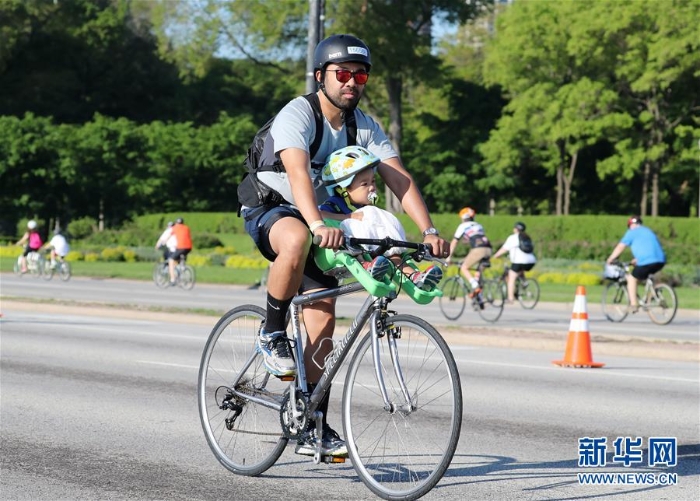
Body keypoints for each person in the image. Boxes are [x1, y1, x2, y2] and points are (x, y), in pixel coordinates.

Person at [239, 34, 449, 458]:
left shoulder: (363, 125)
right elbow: (297, 173)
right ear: (321, 77)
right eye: (343, 74)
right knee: (296, 237)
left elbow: (398, 178)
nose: (352, 82)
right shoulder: (298, 114)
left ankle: (311, 420)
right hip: (273, 207)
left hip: (326, 219)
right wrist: (315, 220)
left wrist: (428, 232)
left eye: (361, 74)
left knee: (323, 323)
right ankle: (272, 331)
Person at [319, 145, 443, 291]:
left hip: (373, 252)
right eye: (364, 184)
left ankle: (414, 276)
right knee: (365, 217)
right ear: (342, 189)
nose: (372, 187)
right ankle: (367, 266)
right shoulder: (335, 204)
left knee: (383, 229)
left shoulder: (366, 210)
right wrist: (347, 216)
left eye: (373, 181)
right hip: (341, 252)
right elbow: (318, 214)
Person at [606, 216, 666, 313]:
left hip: (647, 261)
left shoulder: (631, 232)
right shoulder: (648, 231)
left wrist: (611, 258)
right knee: (646, 274)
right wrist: (637, 259)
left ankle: (634, 305)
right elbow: (649, 247)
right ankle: (653, 295)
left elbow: (620, 247)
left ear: (630, 225)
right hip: (660, 259)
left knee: (632, 278)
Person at [445, 207, 492, 295]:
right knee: (478, 272)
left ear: (463, 218)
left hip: (478, 249)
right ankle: (479, 299)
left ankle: (475, 286)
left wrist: (449, 257)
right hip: (488, 248)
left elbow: (454, 242)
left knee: (464, 267)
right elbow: (476, 237)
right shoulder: (478, 225)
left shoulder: (463, 226)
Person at [491, 222, 537, 303]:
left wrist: (496, 255)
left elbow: (504, 249)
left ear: (516, 229)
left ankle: (510, 298)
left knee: (511, 277)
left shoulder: (513, 237)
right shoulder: (527, 237)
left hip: (519, 260)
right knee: (520, 271)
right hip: (531, 260)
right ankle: (524, 283)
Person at [169, 217, 192, 286]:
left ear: (176, 223)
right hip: (188, 247)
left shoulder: (175, 228)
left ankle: (172, 279)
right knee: (180, 259)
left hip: (181, 247)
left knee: (171, 260)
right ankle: (182, 268)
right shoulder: (187, 228)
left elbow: (169, 235)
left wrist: (163, 242)